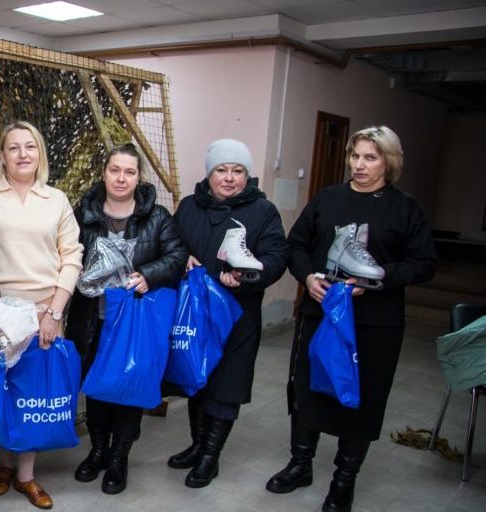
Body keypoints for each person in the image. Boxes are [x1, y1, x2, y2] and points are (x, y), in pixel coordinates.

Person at [267, 126, 436, 512]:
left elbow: (424, 263)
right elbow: (297, 245)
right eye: (355, 156)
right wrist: (308, 277)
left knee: (363, 397)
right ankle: (300, 464)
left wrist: (379, 278)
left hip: (374, 323)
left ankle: (344, 478)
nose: (359, 165)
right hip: (320, 313)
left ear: (388, 162)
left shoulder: (405, 208)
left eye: (370, 158)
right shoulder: (328, 198)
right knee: (307, 389)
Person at [0, 121, 83, 509]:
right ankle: (4, 465)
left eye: (30, 147)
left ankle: (26, 476)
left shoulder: (56, 200)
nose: (23, 154)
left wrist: (54, 312)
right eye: (14, 147)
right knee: (4, 393)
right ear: (2, 156)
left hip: (43, 314)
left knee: (34, 394)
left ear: (40, 154)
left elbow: (72, 257)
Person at [66, 143, 186, 494]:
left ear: (138, 177)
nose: (121, 178)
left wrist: (149, 274)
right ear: (104, 173)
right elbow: (65, 254)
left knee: (129, 389)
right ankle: (97, 451)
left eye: (129, 172)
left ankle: (119, 458)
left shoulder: (157, 217)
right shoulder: (83, 214)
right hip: (93, 320)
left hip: (135, 325)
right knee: (97, 389)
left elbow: (177, 256)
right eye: (115, 170)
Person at [169, 139, 288, 488]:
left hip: (238, 315)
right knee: (197, 378)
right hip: (194, 314)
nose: (229, 177)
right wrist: (181, 259)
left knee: (226, 385)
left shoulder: (263, 211)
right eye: (221, 170)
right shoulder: (189, 206)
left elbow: (276, 257)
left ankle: (210, 456)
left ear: (246, 176)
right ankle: (197, 445)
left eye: (237, 171)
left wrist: (245, 275)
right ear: (209, 173)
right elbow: (171, 244)